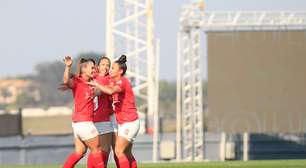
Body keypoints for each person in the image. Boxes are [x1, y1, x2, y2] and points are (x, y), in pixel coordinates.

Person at [87, 55, 140, 168]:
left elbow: (110, 91)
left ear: (120, 71)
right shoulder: (113, 81)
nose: (109, 69)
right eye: (105, 65)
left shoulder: (122, 82)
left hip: (129, 121)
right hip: (123, 121)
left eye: (111, 67)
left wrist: (97, 85)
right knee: (126, 153)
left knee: (118, 151)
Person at [61, 56, 105, 168]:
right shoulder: (77, 81)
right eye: (92, 68)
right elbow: (66, 81)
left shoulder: (92, 82)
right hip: (84, 122)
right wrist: (68, 66)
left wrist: (100, 80)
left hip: (77, 124)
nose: (94, 70)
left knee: (79, 152)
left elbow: (100, 92)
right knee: (97, 150)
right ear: (84, 69)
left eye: (95, 68)